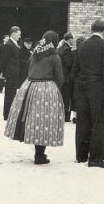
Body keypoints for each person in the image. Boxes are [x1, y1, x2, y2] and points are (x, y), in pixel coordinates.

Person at [4, 30, 64, 165]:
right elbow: (60, 77)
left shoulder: (35, 54)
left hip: (30, 87)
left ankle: (38, 153)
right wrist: (55, 89)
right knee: (45, 122)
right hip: (47, 88)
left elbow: (27, 71)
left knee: (34, 120)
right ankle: (40, 154)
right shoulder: (55, 56)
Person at [72, 19, 104, 168]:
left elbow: (75, 69)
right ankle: (95, 159)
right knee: (98, 122)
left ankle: (81, 155)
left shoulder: (82, 46)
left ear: (91, 29)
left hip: (82, 86)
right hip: (98, 87)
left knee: (82, 122)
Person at [1, 26, 22, 120]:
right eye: (19, 34)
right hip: (10, 73)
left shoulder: (14, 43)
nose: (20, 36)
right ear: (13, 34)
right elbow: (4, 60)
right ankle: (7, 114)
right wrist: (4, 73)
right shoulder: (8, 45)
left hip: (14, 72)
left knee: (12, 93)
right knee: (9, 93)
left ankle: (10, 112)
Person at [57, 32, 74, 122]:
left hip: (59, 76)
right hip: (66, 77)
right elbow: (68, 64)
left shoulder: (59, 49)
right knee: (67, 97)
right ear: (70, 39)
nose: (73, 41)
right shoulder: (67, 50)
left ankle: (58, 114)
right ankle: (66, 117)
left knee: (60, 96)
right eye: (73, 39)